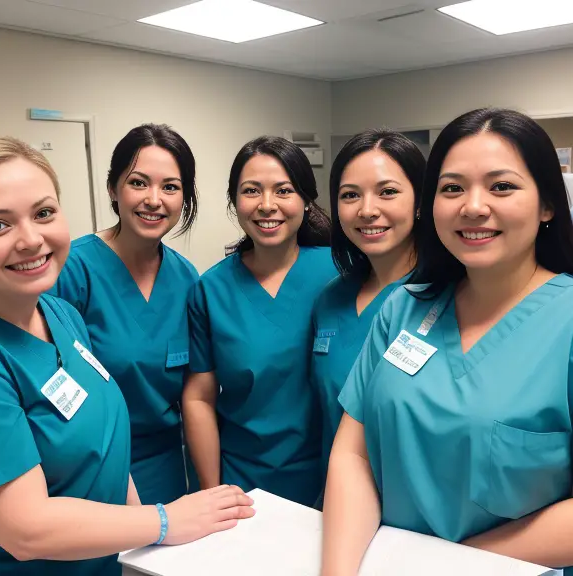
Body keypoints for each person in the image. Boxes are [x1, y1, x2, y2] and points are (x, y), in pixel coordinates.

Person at [0, 136, 254, 576]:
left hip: (110, 548)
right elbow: (24, 529)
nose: (31, 239)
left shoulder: (58, 313)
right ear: (113, 189)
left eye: (43, 213)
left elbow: (104, 439)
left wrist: (142, 537)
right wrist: (163, 522)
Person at [321, 108, 573, 575]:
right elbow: (353, 453)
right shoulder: (404, 308)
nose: (473, 206)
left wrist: (445, 565)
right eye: (452, 187)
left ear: (547, 204)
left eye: (502, 186)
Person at [183, 136, 337, 507]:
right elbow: (199, 397)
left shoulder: (340, 273)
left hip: (335, 477)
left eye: (283, 190)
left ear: (305, 199)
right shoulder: (211, 289)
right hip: (245, 485)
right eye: (252, 191)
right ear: (234, 202)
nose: (267, 205)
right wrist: (212, 492)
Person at [53, 124, 199, 505]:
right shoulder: (72, 270)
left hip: (167, 465)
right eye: (138, 183)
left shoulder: (187, 278)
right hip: (88, 467)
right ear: (113, 189)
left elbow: (194, 390)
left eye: (170, 186)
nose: (154, 199)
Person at [312, 130, 424, 478]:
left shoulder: (447, 297)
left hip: (415, 511)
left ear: (421, 201)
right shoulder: (332, 297)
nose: (367, 210)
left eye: (387, 192)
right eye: (350, 195)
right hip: (337, 496)